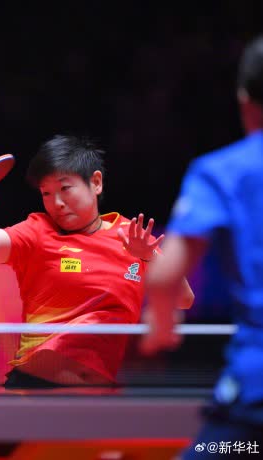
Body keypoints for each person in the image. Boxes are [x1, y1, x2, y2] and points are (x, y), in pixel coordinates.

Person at [0, 134, 194, 387]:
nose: (57, 203)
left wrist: (150, 257)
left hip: (97, 392)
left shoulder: (131, 236)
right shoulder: (37, 232)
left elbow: (184, 299)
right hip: (37, 387)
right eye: (46, 193)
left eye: (65, 188)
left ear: (96, 182)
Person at [143, 36, 263, 450]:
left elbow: (165, 277)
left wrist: (161, 328)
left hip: (254, 393)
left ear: (245, 100)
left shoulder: (220, 172)